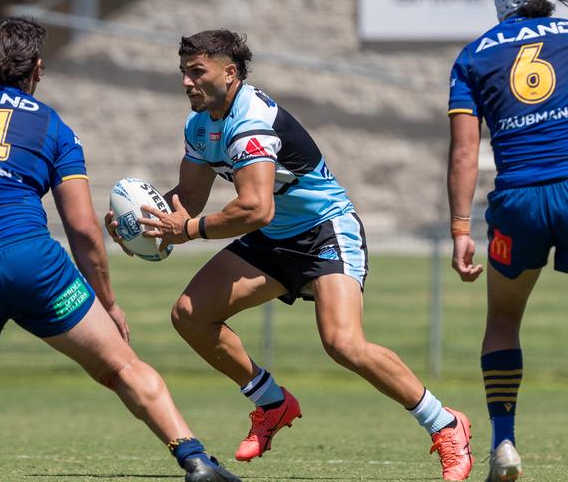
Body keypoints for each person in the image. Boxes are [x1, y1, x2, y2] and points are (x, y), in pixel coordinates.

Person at [107, 29, 474, 481]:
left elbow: (256, 208)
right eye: (183, 72)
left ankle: (445, 423)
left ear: (230, 72)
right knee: (189, 314)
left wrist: (187, 231)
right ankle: (271, 403)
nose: (186, 81)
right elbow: (189, 197)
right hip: (272, 238)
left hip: (325, 231)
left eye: (196, 71)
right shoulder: (199, 125)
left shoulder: (251, 121)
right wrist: (142, 226)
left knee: (343, 343)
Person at [0, 17, 241, 482]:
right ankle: (195, 460)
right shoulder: (53, 126)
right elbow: (84, 228)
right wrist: (107, 303)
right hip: (37, 267)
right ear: (38, 70)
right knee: (121, 366)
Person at [447, 0, 568, 480]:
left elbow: (463, 153)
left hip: (518, 203)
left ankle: (504, 445)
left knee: (503, 318)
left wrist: (460, 228)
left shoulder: (474, 55)